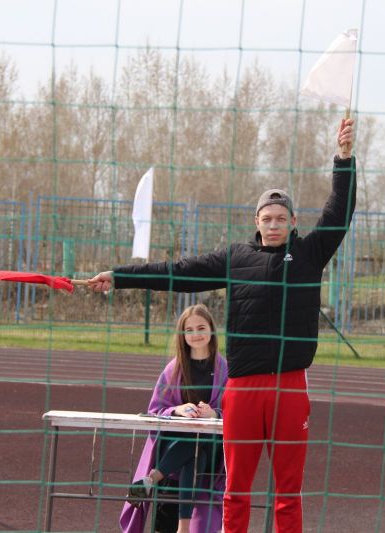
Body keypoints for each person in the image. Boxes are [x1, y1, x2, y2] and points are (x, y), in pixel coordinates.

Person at [92, 118, 356, 533]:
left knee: (288, 491)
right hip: (243, 389)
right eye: (266, 218)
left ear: (293, 222)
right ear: (257, 221)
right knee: (235, 489)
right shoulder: (236, 258)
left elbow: (339, 211)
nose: (273, 224)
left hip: (289, 386)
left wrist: (343, 158)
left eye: (281, 218)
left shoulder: (309, 253)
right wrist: (120, 276)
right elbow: (179, 271)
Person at [119, 304, 228, 533]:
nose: (196, 334)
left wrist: (215, 414)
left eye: (201, 328)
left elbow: (235, 412)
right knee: (194, 452)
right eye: (189, 330)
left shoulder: (225, 369)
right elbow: (155, 410)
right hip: (176, 443)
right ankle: (183, 529)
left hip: (213, 447)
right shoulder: (174, 369)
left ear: (211, 329)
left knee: (198, 445)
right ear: (182, 335)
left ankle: (151, 479)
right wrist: (177, 410)